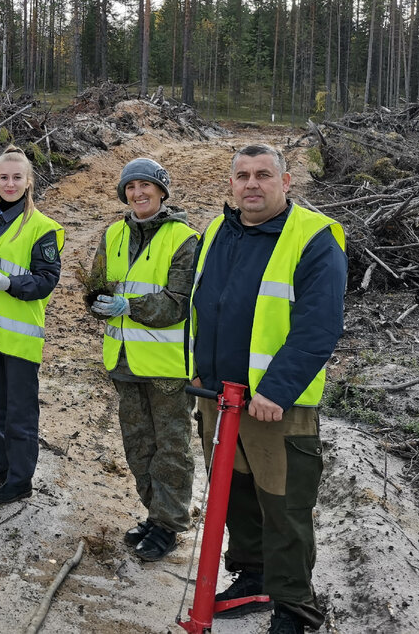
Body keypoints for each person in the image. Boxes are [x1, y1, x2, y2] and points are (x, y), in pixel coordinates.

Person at [190, 144, 346, 634]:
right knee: (234, 494)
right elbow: (204, 307)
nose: (251, 184)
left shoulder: (314, 238)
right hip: (219, 398)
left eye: (263, 175)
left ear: (286, 181)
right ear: (231, 183)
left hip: (275, 406)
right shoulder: (217, 229)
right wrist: (198, 373)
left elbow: (318, 327)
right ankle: (253, 576)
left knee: (284, 505)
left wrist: (275, 390)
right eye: (242, 176)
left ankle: (295, 607)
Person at [88, 158, 197, 561]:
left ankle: (169, 524)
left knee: (171, 448)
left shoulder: (185, 238)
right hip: (123, 360)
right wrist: (98, 304)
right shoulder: (113, 233)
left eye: (146, 186)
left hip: (166, 366)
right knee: (138, 445)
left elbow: (179, 303)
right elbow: (96, 287)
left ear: (162, 192)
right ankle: (155, 514)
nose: (138, 193)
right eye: (131, 187)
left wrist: (127, 305)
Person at [0, 147, 63, 506]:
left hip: (21, 337)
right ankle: (0, 466)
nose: (10, 183)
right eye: (4, 177)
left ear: (29, 182)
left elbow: (46, 280)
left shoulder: (43, 228)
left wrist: (8, 285)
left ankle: (20, 479)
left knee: (20, 412)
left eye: (17, 177)